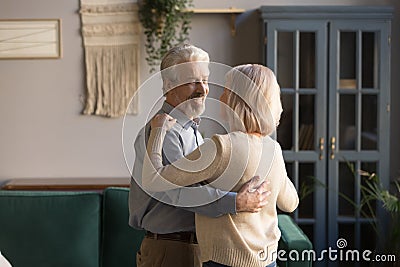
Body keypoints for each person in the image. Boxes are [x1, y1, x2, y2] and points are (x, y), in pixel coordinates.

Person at [142, 64, 299, 267]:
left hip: (224, 263)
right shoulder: (273, 150)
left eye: (226, 90)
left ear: (237, 100)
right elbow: (291, 203)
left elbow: (153, 180)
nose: (221, 98)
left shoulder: (222, 147)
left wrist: (158, 131)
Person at [128, 44, 271, 267]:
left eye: (205, 80)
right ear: (169, 85)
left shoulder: (191, 130)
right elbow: (179, 192)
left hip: (191, 246)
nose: (203, 89)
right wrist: (237, 202)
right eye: (193, 81)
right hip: (172, 250)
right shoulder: (165, 132)